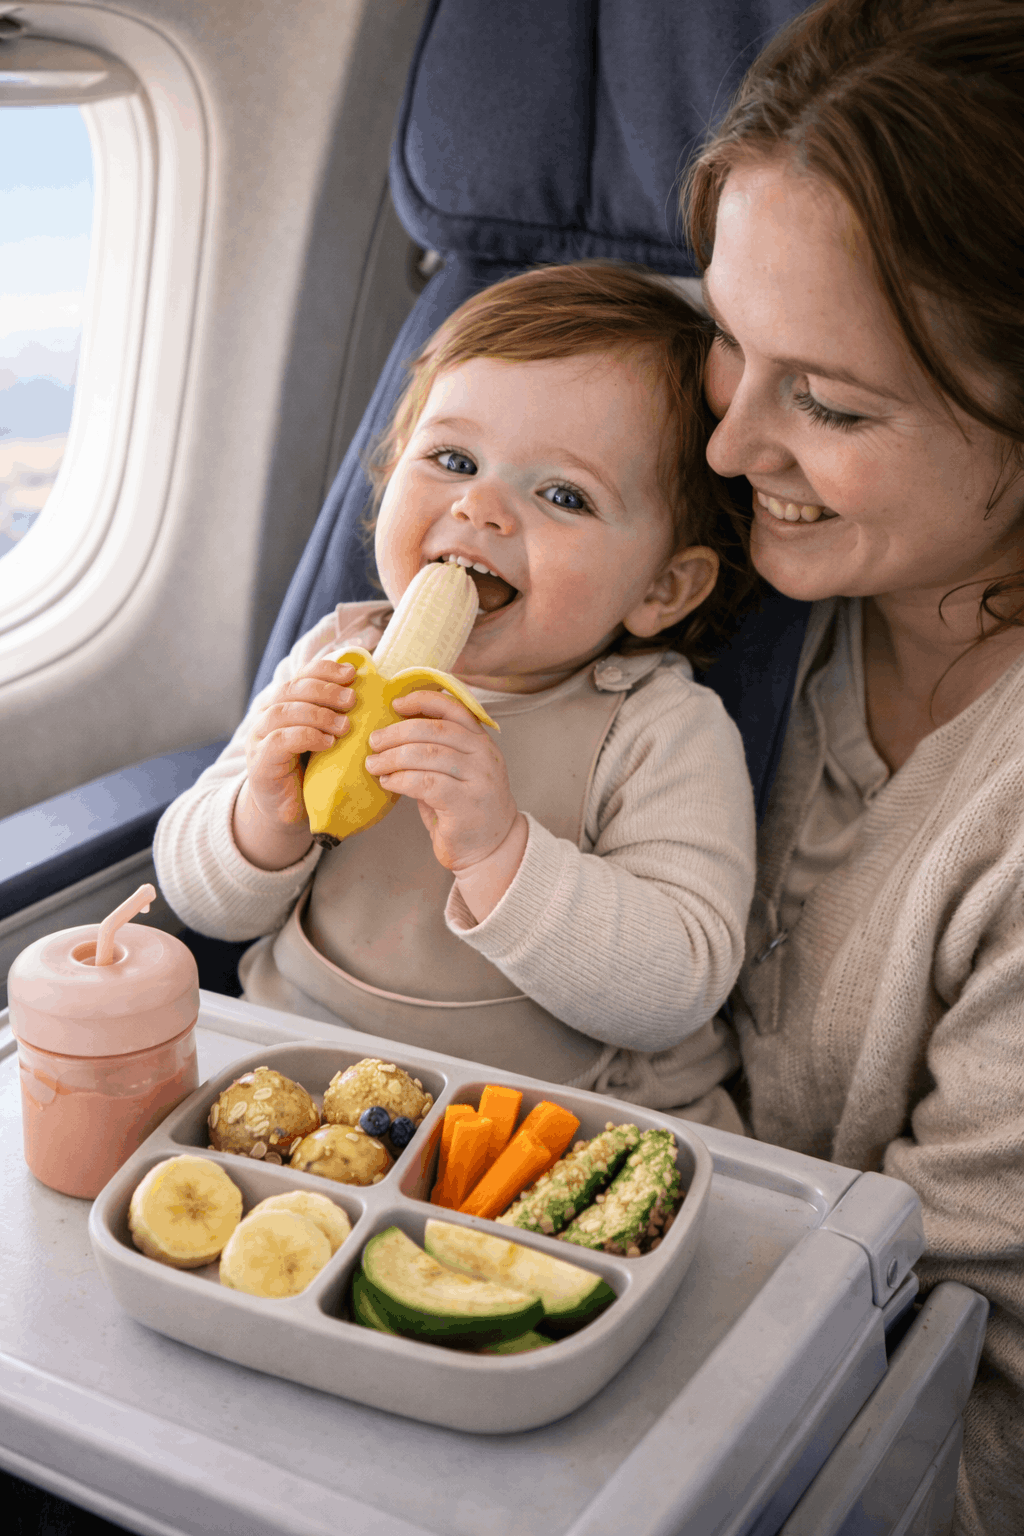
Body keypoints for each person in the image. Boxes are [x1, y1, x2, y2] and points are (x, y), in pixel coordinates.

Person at [155, 263, 758, 1129]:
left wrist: (498, 851)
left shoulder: (660, 728)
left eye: (562, 494)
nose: (480, 506)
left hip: (550, 1131)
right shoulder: (338, 658)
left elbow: (678, 987)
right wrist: (264, 815)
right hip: (301, 1090)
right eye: (452, 459)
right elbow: (199, 899)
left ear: (662, 588)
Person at [683, 0, 1024, 1529]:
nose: (726, 444)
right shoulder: (711, 580)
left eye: (824, 399)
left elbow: (965, 1424)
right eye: (728, 347)